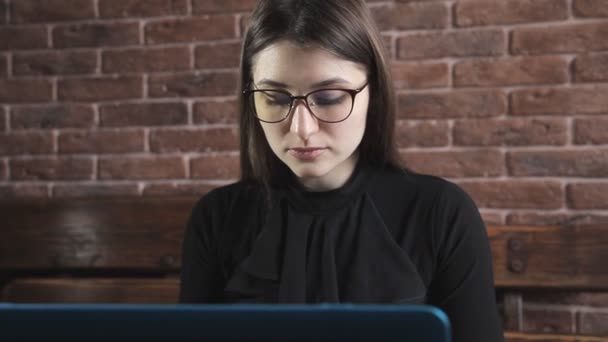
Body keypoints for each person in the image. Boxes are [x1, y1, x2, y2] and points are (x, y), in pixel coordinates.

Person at [179, 0, 505, 340]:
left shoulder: (441, 214)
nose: (302, 128)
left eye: (330, 97)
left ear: (374, 93)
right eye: (275, 98)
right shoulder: (216, 218)